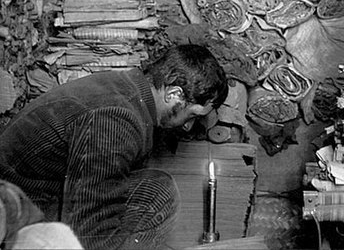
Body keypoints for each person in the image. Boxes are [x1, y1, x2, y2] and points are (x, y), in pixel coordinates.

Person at [0, 44, 228, 250]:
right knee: (156, 195)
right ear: (174, 94)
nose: (188, 126)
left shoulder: (125, 89)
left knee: (155, 186)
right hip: (17, 211)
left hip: (36, 193)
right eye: (192, 115)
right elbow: (90, 229)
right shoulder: (116, 117)